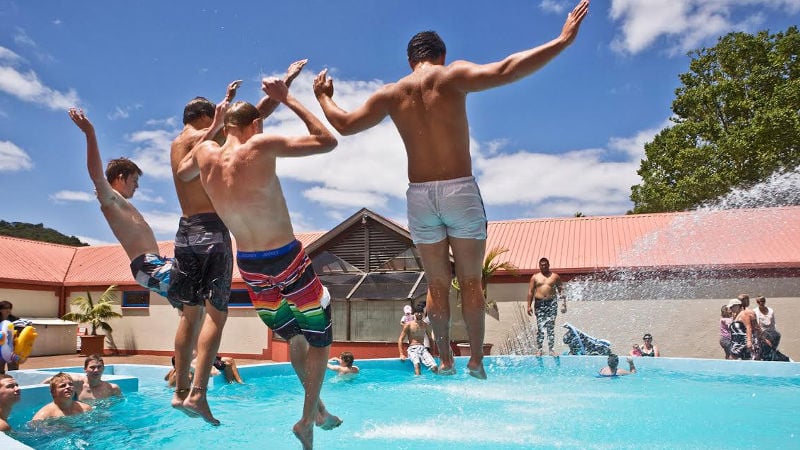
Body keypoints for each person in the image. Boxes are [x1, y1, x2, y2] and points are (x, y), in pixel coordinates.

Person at [313, 1, 590, 379]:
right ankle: (475, 360)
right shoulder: (451, 76)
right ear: (440, 56)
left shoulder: (393, 94)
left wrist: (324, 96)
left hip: (419, 194)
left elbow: (343, 124)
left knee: (437, 284)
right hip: (459, 190)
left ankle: (444, 360)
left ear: (411, 59)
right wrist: (562, 41)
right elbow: (508, 69)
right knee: (472, 281)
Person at [181, 77, 339, 450]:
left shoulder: (205, 155)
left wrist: (214, 126)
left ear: (225, 125)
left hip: (249, 267)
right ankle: (306, 420)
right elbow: (327, 140)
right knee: (320, 339)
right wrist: (288, 99)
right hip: (286, 259)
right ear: (255, 125)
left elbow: (184, 170)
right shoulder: (261, 144)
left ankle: (318, 410)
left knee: (295, 339)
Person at [168, 61, 307, 425]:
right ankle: (198, 394)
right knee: (216, 313)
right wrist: (286, 85)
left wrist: (223, 109)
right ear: (205, 117)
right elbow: (251, 120)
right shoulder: (207, 140)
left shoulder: (178, 145)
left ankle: (179, 392)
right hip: (212, 231)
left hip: (185, 232)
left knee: (189, 314)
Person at [526, 257, 566, 356]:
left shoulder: (555, 277)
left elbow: (561, 291)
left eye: (545, 264)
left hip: (551, 303)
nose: (543, 266)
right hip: (539, 303)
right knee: (541, 327)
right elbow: (530, 292)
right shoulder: (535, 277)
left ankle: (551, 350)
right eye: (542, 265)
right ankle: (539, 349)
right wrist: (528, 306)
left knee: (550, 327)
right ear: (539, 266)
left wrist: (564, 304)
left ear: (548, 265)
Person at [398, 306, 439, 376]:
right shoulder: (408, 325)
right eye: (418, 312)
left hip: (423, 349)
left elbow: (431, 339)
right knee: (417, 365)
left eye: (421, 312)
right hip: (412, 349)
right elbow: (400, 339)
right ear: (414, 314)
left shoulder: (425, 325)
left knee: (434, 367)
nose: (420, 314)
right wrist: (401, 354)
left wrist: (433, 352)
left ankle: (438, 382)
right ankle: (418, 383)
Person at [734, 294, 764, 360]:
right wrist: (749, 341)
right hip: (750, 339)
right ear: (745, 301)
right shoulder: (747, 312)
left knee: (747, 358)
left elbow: (750, 327)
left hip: (744, 339)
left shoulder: (738, 313)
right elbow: (750, 327)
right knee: (753, 358)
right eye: (747, 300)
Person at [0, 301, 20, 373]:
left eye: (9, 308)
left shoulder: (15, 320)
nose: (8, 310)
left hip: (13, 349)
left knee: (14, 370)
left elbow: (22, 330)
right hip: (0, 349)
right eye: (5, 308)